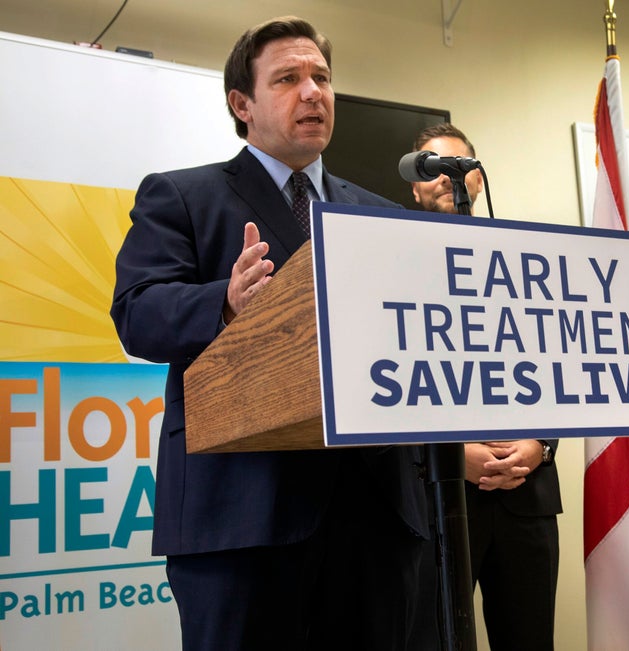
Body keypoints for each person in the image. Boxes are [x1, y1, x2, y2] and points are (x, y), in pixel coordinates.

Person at [110, 17, 430, 651]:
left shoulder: (382, 215)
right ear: (242, 104)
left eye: (322, 78)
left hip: (373, 520)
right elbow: (137, 312)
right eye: (287, 79)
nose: (313, 92)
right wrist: (225, 303)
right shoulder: (183, 195)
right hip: (238, 518)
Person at [409, 123, 563, 651]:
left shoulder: (522, 260)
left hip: (528, 494)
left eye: (458, 167)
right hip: (437, 496)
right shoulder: (396, 259)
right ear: (415, 187)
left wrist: (541, 444)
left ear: (476, 179)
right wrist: (452, 453)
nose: (446, 178)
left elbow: (558, 363)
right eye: (433, 168)